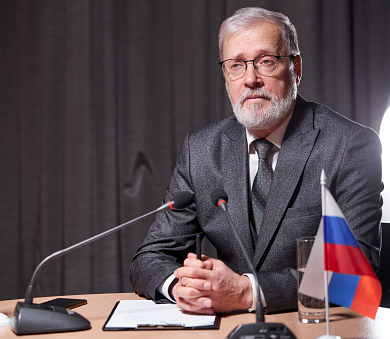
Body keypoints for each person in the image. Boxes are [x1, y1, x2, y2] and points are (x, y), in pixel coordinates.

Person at [129, 7, 383, 315]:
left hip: (318, 324)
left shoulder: (350, 145)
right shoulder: (202, 150)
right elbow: (151, 257)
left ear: (296, 67)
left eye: (266, 61)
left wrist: (246, 292)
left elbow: (354, 269)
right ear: (226, 76)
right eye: (236, 65)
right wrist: (180, 286)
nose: (251, 79)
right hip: (227, 327)